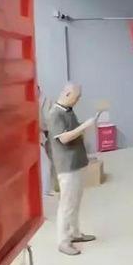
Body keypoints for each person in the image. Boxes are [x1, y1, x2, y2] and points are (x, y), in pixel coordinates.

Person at [47, 83, 99, 256]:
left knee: (75, 202)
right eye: (76, 97)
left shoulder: (68, 111)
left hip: (78, 163)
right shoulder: (55, 114)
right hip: (67, 167)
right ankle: (63, 241)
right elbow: (64, 138)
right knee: (67, 205)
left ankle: (75, 233)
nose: (78, 100)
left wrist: (84, 126)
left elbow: (74, 132)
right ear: (67, 94)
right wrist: (85, 126)